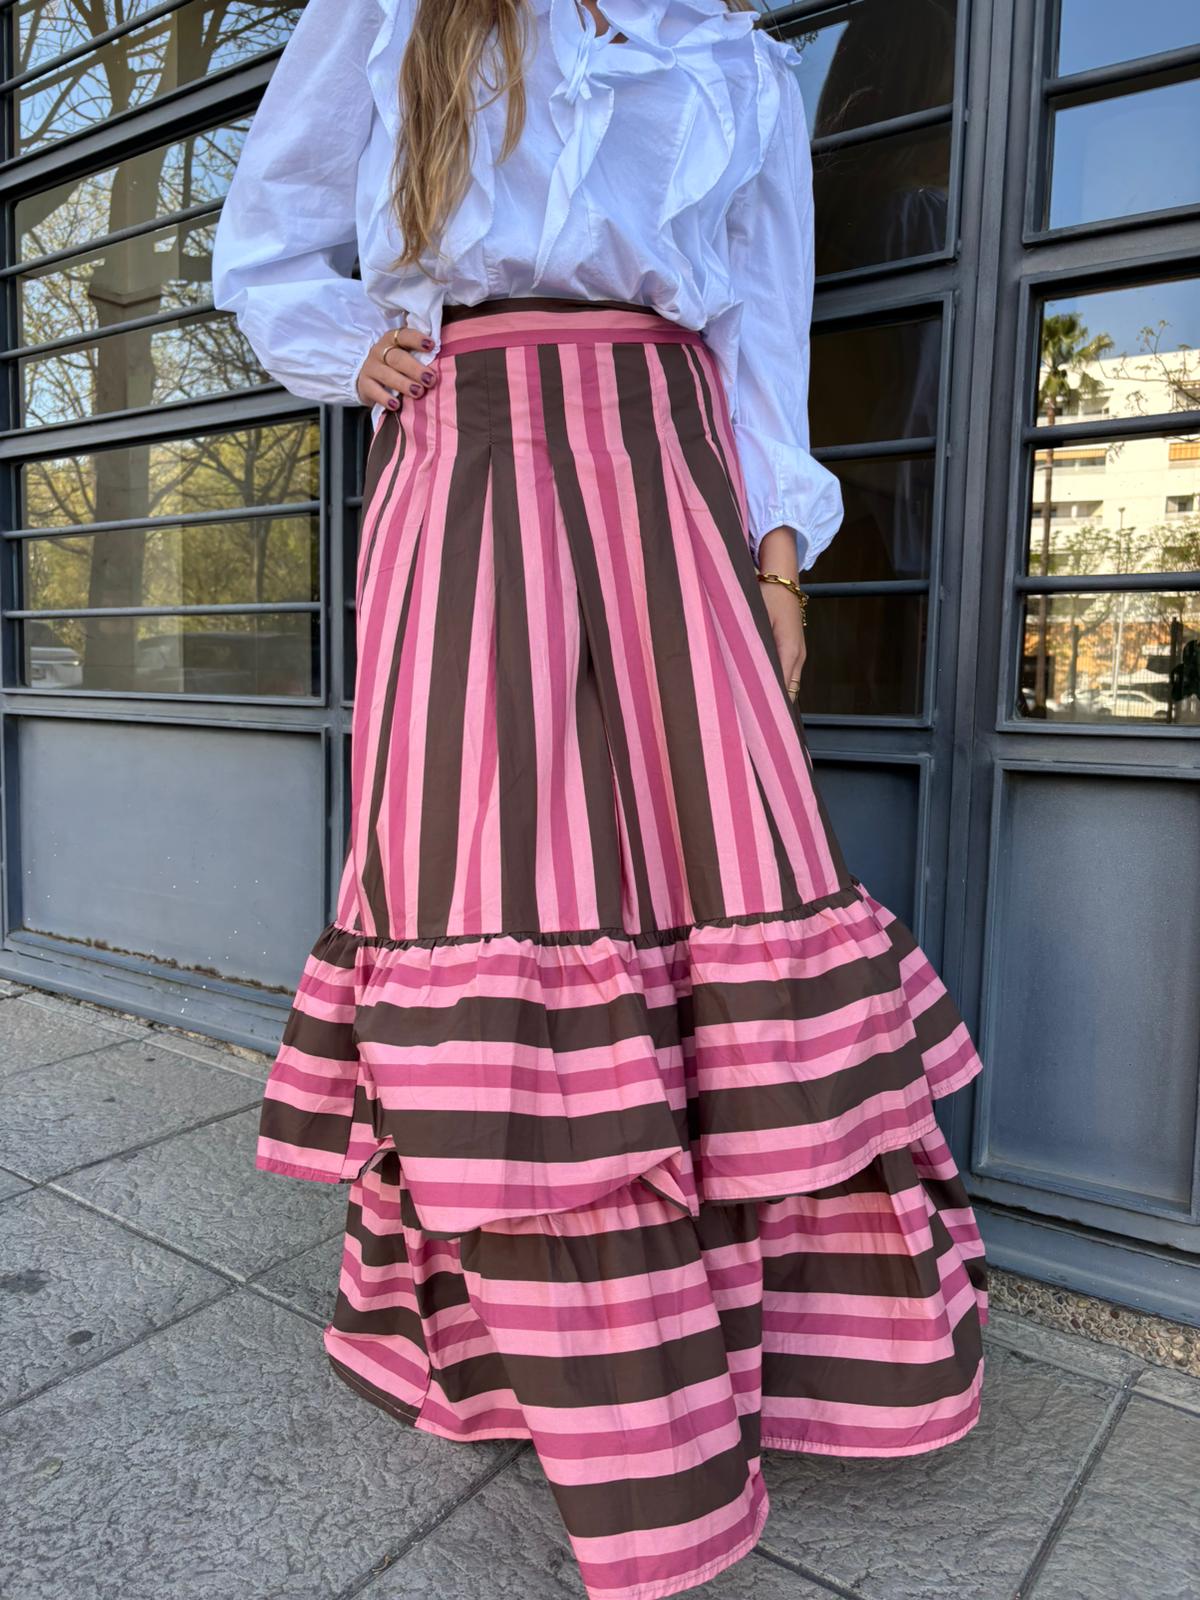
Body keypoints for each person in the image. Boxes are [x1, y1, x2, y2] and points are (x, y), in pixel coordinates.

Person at [212, 4, 989, 1597]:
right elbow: (267, 236)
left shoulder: (741, 60)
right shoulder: (399, 9)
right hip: (464, 463)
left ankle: (773, 1357)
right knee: (491, 890)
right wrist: (342, 342)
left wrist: (780, 555)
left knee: (732, 864)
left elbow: (763, 331)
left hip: (674, 474)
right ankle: (571, 1386)